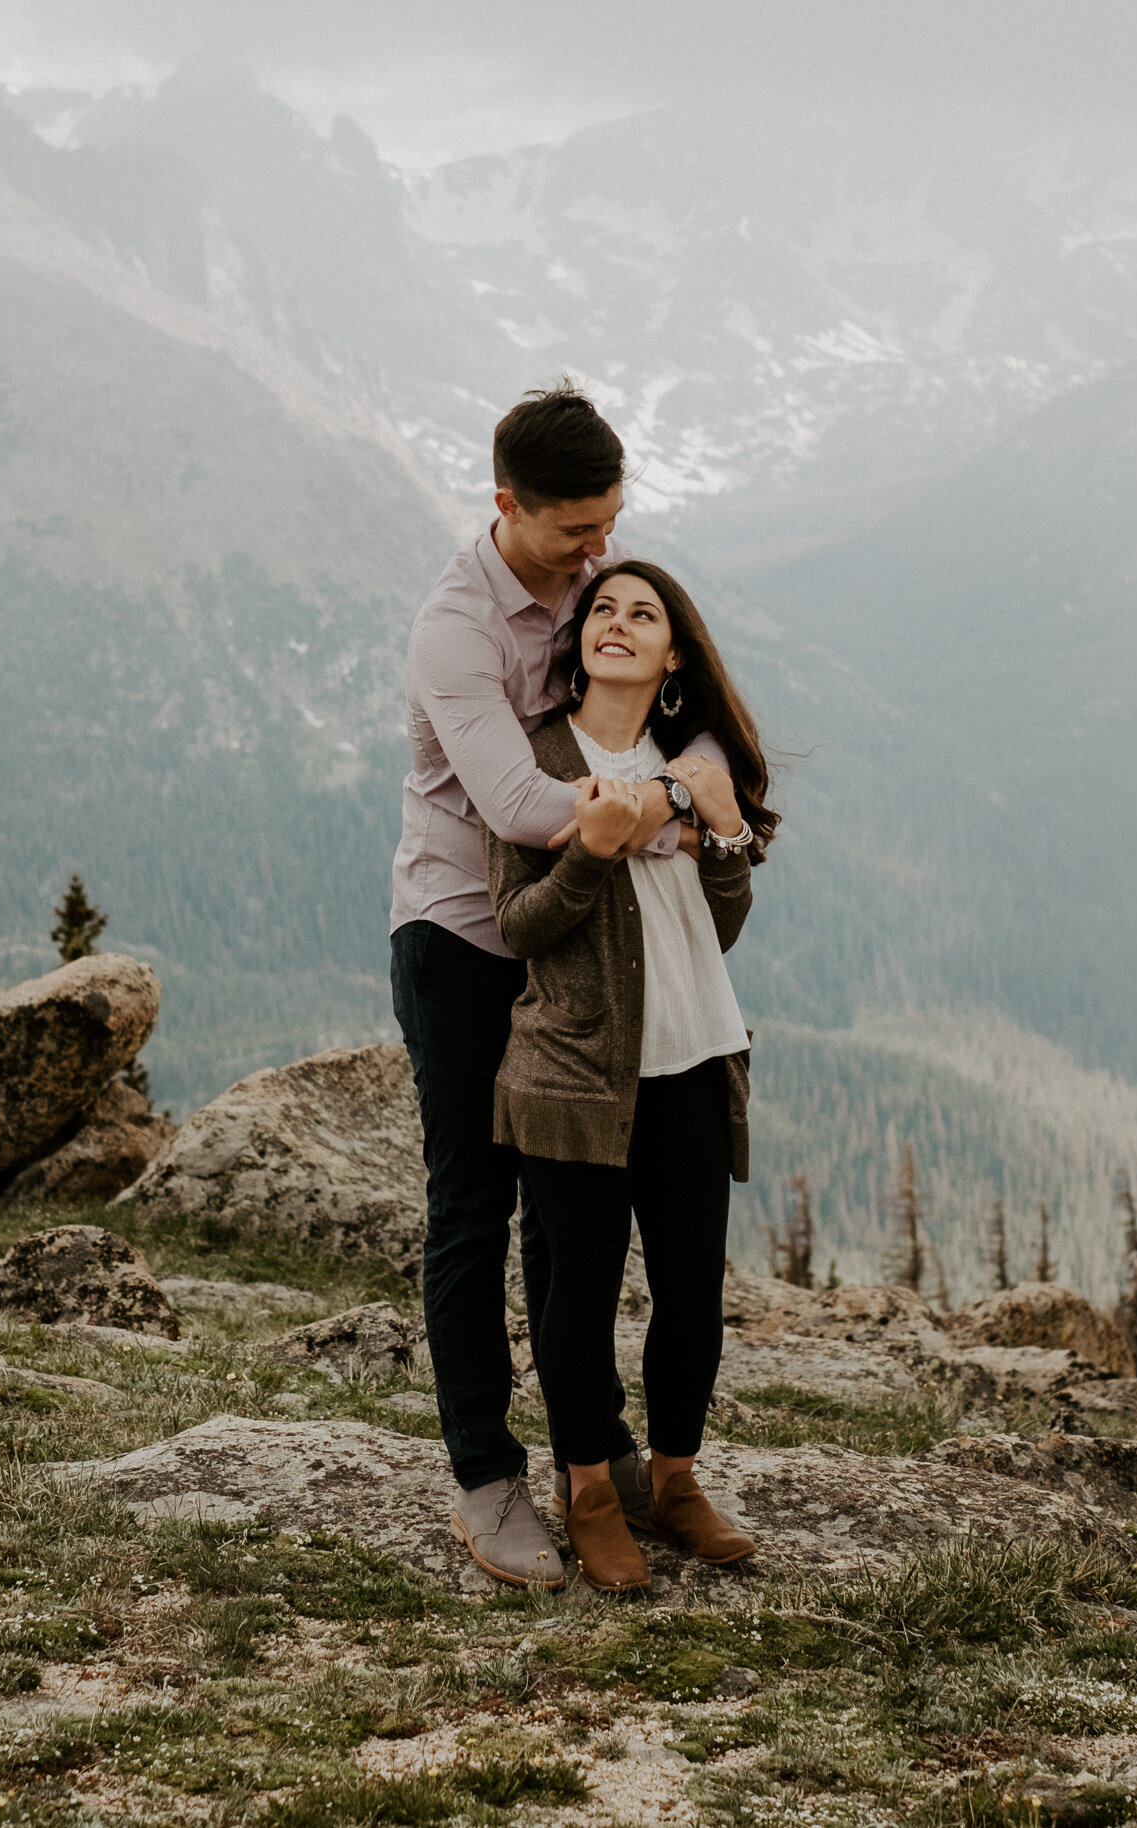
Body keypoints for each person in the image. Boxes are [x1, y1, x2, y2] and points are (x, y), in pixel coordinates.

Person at [390, 385, 690, 1589]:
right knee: (475, 1205)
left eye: (611, 524)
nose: (598, 553)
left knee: (575, 1216)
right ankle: (483, 1478)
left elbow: (694, 707)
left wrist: (694, 773)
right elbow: (516, 805)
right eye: (575, 531)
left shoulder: (596, 595)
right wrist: (665, 808)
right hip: (462, 942)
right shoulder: (454, 628)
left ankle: (593, 1448)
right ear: (506, 505)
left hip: (565, 948)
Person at [481, 558, 780, 1591]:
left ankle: (678, 1482)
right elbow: (517, 923)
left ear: (673, 653)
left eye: (642, 614)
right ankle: (593, 1496)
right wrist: (592, 852)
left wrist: (727, 829)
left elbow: (720, 923)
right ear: (582, 642)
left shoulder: (688, 763)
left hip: (695, 1053)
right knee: (582, 1295)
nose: (617, 622)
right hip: (574, 1073)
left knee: (693, 1288)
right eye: (602, 608)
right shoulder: (536, 760)